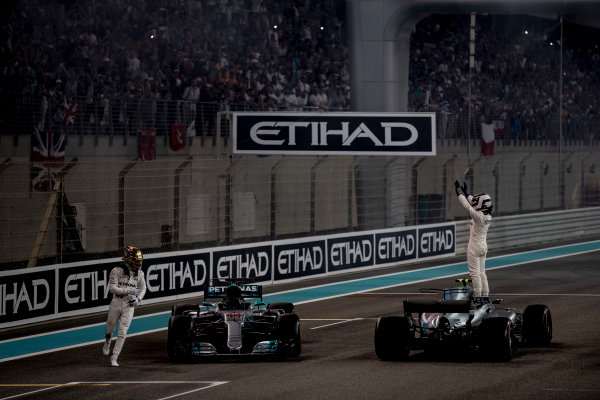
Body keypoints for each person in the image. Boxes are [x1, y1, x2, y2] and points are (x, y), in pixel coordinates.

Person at [102, 246, 146, 366]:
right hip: (116, 302)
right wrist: (127, 290)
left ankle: (114, 357)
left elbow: (143, 288)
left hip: (129, 305)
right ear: (129, 259)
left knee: (123, 332)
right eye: (136, 260)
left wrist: (138, 299)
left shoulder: (140, 274)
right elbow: (112, 288)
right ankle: (107, 340)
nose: (139, 263)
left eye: (139, 260)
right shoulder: (116, 270)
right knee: (110, 328)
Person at [454, 180, 493, 303]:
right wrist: (467, 193)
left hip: (474, 247)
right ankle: (485, 296)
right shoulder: (487, 215)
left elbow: (467, 206)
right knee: (482, 272)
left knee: (475, 274)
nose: (474, 201)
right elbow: (475, 203)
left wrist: (459, 194)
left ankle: (477, 297)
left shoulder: (478, 216)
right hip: (483, 246)